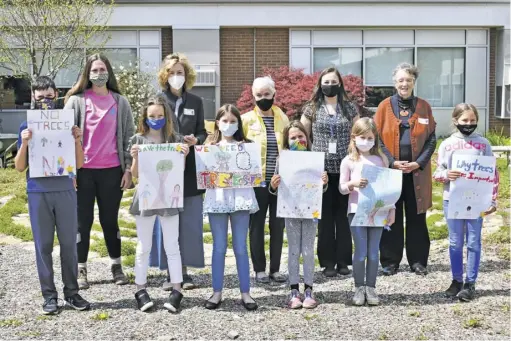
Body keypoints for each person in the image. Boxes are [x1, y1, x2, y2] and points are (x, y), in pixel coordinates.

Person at [14, 76, 90, 314]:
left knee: (69, 245)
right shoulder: (25, 127)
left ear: (57, 95)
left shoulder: (68, 124)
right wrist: (25, 143)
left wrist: (77, 140)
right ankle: (49, 296)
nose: (45, 102)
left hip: (66, 189)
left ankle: (72, 293)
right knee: (43, 246)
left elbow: (79, 163)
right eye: (40, 98)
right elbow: (18, 166)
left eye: (49, 97)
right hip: (38, 191)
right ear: (33, 99)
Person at [64, 53, 135, 289]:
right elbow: (65, 139)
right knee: (82, 222)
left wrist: (128, 170)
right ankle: (81, 268)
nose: (98, 74)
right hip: (83, 172)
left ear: (109, 72)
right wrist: (69, 171)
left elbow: (129, 138)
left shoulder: (120, 102)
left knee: (109, 220)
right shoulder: (76, 101)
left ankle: (116, 265)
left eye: (102, 69)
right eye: (94, 70)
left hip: (112, 171)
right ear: (87, 74)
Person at [373, 62, 437, 276]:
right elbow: (378, 139)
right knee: (391, 216)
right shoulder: (384, 107)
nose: (404, 83)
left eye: (408, 80)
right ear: (395, 83)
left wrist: (419, 162)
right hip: (392, 173)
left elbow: (431, 139)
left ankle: (418, 261)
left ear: (414, 82)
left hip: (417, 173)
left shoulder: (424, 106)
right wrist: (391, 161)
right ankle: (390, 261)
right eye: (401, 80)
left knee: (417, 216)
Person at [128, 94, 190, 312]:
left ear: (166, 116)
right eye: (152, 115)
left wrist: (183, 155)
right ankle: (140, 289)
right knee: (143, 246)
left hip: (168, 198)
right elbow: (134, 175)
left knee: (172, 245)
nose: (156, 119)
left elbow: (178, 172)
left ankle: (177, 290)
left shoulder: (175, 140)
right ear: (145, 117)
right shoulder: (138, 139)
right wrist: (135, 158)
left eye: (160, 115)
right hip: (145, 198)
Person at [433, 103, 499, 302]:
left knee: (473, 242)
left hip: (477, 201)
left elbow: (493, 173)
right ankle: (456, 280)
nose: (468, 124)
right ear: (455, 121)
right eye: (464, 120)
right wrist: (446, 174)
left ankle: (470, 283)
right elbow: (437, 173)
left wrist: (493, 199)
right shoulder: (446, 144)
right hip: (452, 199)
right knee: (455, 242)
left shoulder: (484, 144)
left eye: (472, 120)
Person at [300, 67, 359, 277]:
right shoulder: (311, 108)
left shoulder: (350, 108)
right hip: (320, 171)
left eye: (333, 81)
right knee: (324, 219)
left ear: (340, 84)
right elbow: (303, 136)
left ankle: (344, 261)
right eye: (325, 82)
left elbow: (357, 134)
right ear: (320, 85)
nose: (329, 85)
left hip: (345, 169)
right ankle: (327, 263)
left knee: (344, 217)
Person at [158, 52, 208, 290]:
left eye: (180, 73)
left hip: (189, 171)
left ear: (186, 76)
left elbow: (202, 132)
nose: (176, 76)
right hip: (165, 169)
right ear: (164, 75)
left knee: (188, 222)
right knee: (168, 221)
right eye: (172, 72)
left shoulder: (196, 102)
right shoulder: (157, 100)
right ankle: (170, 271)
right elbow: (151, 130)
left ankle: (185, 271)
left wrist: (195, 141)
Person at [203, 104, 259, 311]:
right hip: (217, 200)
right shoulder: (209, 146)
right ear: (217, 122)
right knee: (218, 247)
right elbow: (203, 175)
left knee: (240, 247)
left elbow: (254, 174)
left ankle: (246, 292)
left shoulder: (248, 146)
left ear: (239, 123)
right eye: (224, 121)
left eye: (233, 121)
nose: (228, 125)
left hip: (241, 199)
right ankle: (217, 291)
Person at [269, 120, 328, 309]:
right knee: (294, 250)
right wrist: (273, 184)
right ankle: (294, 290)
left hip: (311, 211)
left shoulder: (314, 159)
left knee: (309, 250)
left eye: (300, 136)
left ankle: (309, 289)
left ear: (307, 137)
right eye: (293, 137)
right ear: (287, 140)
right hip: (291, 210)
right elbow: (275, 189)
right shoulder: (282, 160)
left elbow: (321, 189)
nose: (297, 140)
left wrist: (324, 182)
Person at [339, 118, 396, 306]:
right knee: (361, 251)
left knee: (373, 252)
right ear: (354, 138)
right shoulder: (348, 161)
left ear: (375, 138)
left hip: (378, 211)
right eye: (362, 137)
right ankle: (358, 287)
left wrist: (391, 209)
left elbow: (388, 188)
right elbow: (341, 188)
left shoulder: (381, 159)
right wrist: (352, 185)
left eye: (370, 137)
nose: (366, 141)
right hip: (356, 211)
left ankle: (371, 287)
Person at [241, 76, 289, 284]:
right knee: (257, 226)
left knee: (278, 226)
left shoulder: (283, 118)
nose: (263, 98)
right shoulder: (245, 120)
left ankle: (275, 269)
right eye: (259, 95)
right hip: (256, 182)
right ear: (253, 96)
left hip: (280, 182)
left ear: (274, 94)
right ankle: (259, 269)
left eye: (267, 94)